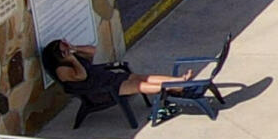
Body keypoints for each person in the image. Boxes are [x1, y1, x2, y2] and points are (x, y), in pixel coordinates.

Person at [41, 39, 183, 109]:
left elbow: (92, 51)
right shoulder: (62, 70)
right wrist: (72, 59)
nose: (67, 51)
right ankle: (172, 87)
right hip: (100, 90)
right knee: (139, 85)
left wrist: (74, 49)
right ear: (58, 56)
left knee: (141, 77)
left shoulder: (72, 56)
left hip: (105, 78)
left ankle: (177, 81)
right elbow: (82, 76)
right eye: (63, 50)